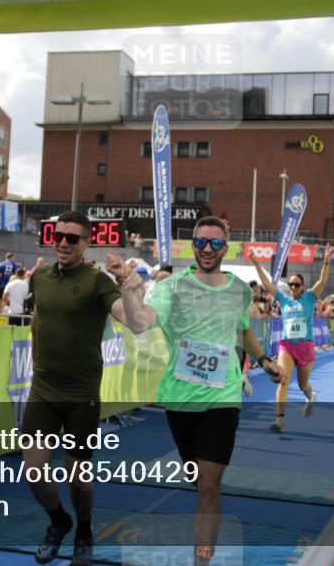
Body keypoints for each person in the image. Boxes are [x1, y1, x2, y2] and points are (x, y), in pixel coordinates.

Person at [118, 216, 283, 565]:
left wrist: (265, 360)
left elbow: (242, 331)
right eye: (201, 242)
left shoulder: (239, 289)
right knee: (199, 482)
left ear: (226, 247)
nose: (207, 249)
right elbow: (141, 322)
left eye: (215, 243)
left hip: (223, 398)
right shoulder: (171, 287)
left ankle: (201, 561)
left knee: (208, 486)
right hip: (180, 400)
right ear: (192, 245)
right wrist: (127, 289)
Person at [23, 211, 135, 566]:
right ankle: (60, 521)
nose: (63, 243)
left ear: (87, 243)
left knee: (78, 482)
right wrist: (37, 362)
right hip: (43, 387)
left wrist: (128, 283)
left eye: (73, 238)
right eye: (59, 236)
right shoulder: (39, 277)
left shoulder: (97, 281)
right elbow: (38, 321)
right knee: (34, 471)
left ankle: (84, 529)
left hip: (81, 394)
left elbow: (125, 315)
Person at [248, 246, 334, 432]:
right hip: (286, 346)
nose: (293, 287)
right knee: (283, 379)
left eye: (296, 284)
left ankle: (311, 397)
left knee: (303, 384)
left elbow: (322, 281)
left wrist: (326, 261)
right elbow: (266, 282)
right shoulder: (284, 299)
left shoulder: (310, 298)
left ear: (302, 287)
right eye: (291, 285)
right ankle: (279, 421)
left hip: (305, 347)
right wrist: (256, 262)